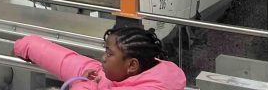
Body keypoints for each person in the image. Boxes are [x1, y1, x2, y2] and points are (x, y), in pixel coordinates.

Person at [13, 26, 186, 89]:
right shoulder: (121, 76)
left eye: (110, 54)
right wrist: (28, 45)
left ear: (132, 65)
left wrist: (85, 84)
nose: (103, 58)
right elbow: (69, 62)